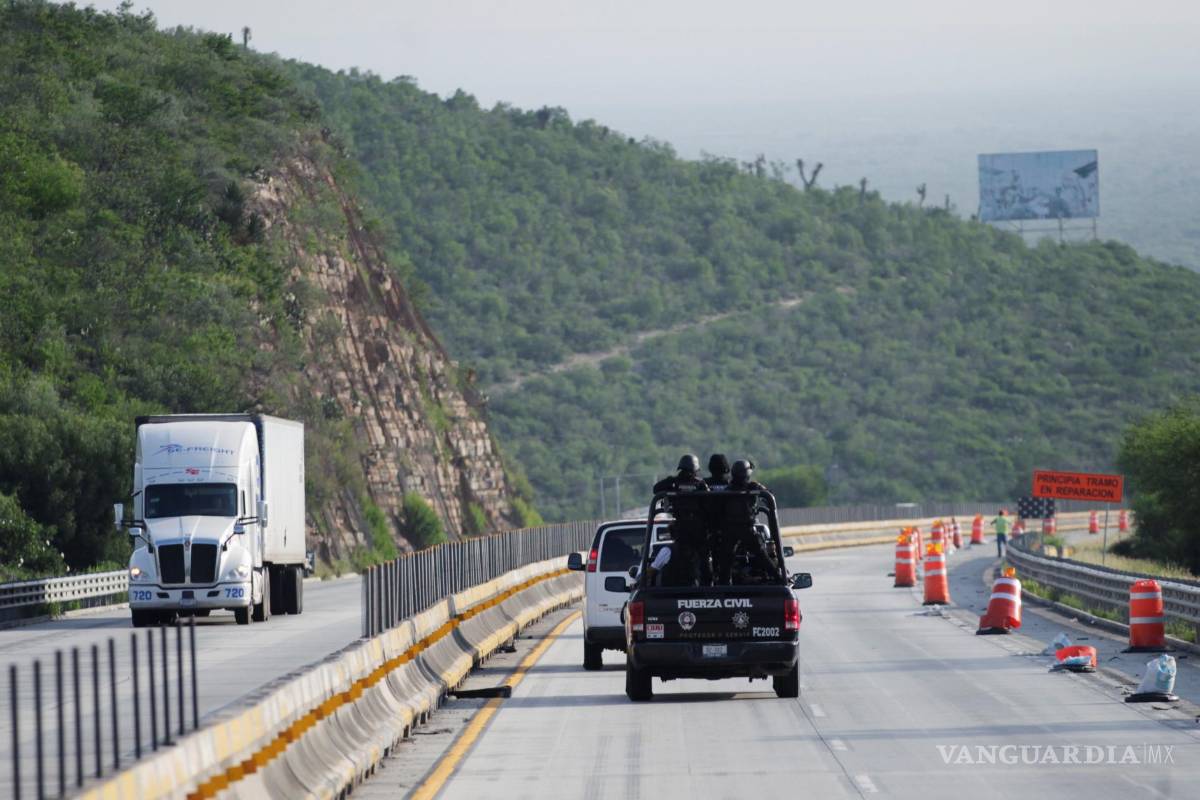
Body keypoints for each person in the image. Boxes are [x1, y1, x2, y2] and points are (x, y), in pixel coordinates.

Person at [712, 460, 782, 585]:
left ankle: (724, 586)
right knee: (762, 556)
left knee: (726, 562)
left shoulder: (727, 490)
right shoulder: (752, 487)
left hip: (730, 531)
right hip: (746, 530)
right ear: (747, 474)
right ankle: (778, 579)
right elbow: (769, 494)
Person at [652, 454, 709, 585]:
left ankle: (688, 583)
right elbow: (709, 502)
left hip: (681, 528)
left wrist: (671, 482)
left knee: (682, 557)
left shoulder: (674, 482)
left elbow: (656, 489)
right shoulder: (700, 484)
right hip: (697, 528)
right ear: (695, 469)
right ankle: (704, 585)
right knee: (703, 558)